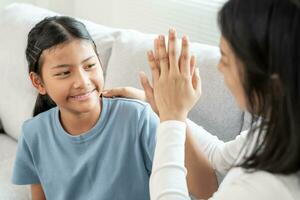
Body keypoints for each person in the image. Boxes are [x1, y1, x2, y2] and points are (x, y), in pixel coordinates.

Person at [103, 0, 300, 199]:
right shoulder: (276, 130)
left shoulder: (264, 186)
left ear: (272, 84)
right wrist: (163, 108)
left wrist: (171, 116)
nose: (219, 68)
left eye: (225, 58)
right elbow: (218, 156)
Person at [11, 16, 160, 200]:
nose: (83, 82)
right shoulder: (32, 133)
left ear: (100, 63)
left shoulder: (138, 118)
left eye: (89, 65)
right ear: (38, 82)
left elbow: (178, 186)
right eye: (64, 73)